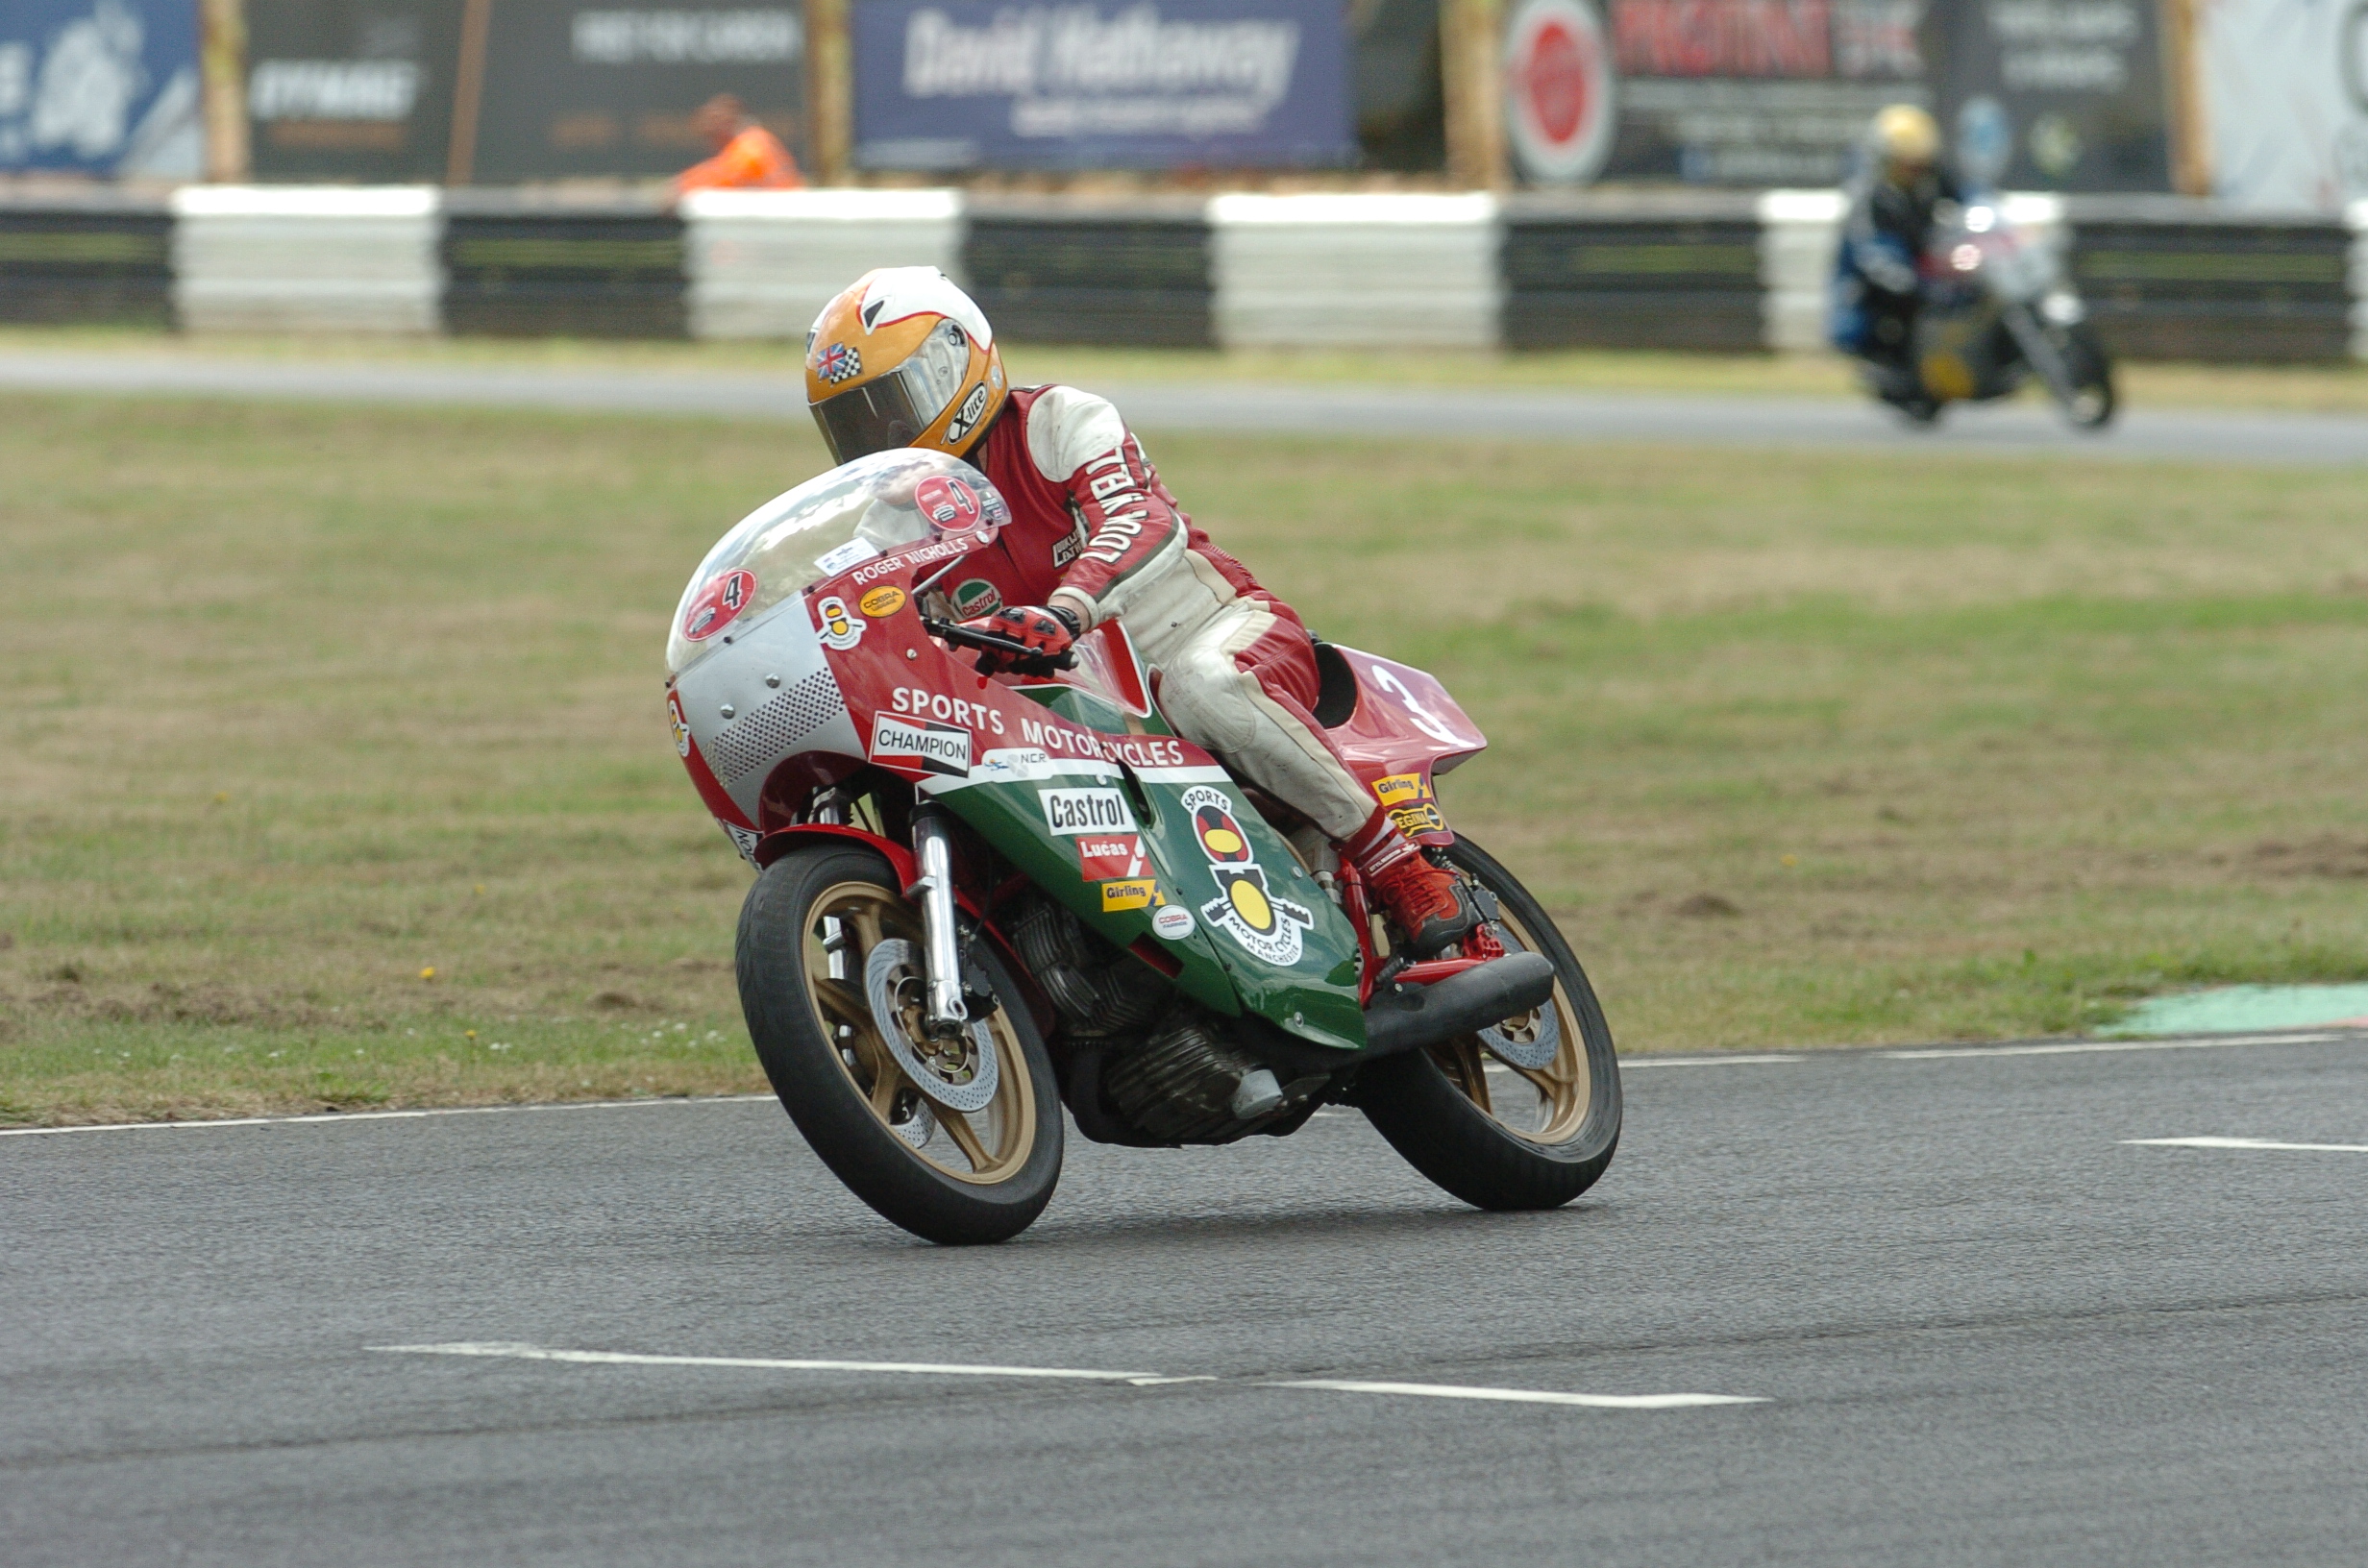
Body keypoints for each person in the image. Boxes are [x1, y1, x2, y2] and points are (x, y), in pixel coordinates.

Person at [802, 267, 1483, 958]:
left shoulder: (1059, 420)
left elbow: (1139, 518)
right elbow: (867, 622)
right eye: (855, 421)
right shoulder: (893, 522)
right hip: (1089, 715)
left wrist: (1068, 608)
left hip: (1218, 631)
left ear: (961, 360)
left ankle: (1398, 865)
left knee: (1202, 685)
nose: (883, 433)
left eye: (896, 402)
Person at [1830, 105, 1963, 398]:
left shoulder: (1931, 178)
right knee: (1912, 295)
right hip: (1881, 276)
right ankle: (1904, 366)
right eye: (1907, 164)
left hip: (1927, 262)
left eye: (1919, 164)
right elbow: (1870, 254)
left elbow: (1970, 198)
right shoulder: (1868, 196)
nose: (1915, 171)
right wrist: (1913, 281)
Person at [672, 93, 802, 193]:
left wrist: (680, 185)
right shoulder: (751, 142)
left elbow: (723, 174)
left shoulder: (753, 145)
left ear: (729, 122)